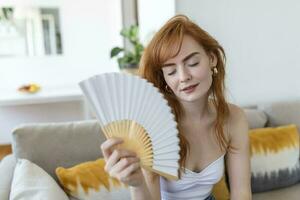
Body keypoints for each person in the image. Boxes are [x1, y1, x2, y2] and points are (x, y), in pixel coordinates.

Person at [100, 15, 251, 200]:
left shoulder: (234, 119)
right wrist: (137, 183)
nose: (183, 76)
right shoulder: (152, 128)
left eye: (192, 63)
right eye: (171, 71)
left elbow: (241, 193)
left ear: (212, 59)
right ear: (165, 79)